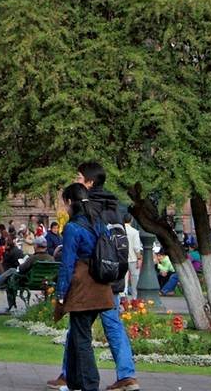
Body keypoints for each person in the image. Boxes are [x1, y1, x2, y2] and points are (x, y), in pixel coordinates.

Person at [47, 164, 139, 391]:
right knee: (107, 328)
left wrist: (60, 294)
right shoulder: (108, 212)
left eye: (78, 176)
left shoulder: (77, 222)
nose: (76, 179)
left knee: (80, 337)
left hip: (84, 285)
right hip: (107, 280)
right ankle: (124, 375)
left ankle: (83, 382)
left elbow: (68, 263)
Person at [0, 235, 58, 313]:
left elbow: (21, 270)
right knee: (11, 272)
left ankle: (11, 305)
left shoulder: (33, 258)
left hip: (29, 282)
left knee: (11, 278)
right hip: (45, 283)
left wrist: (22, 263)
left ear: (36, 246)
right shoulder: (51, 259)